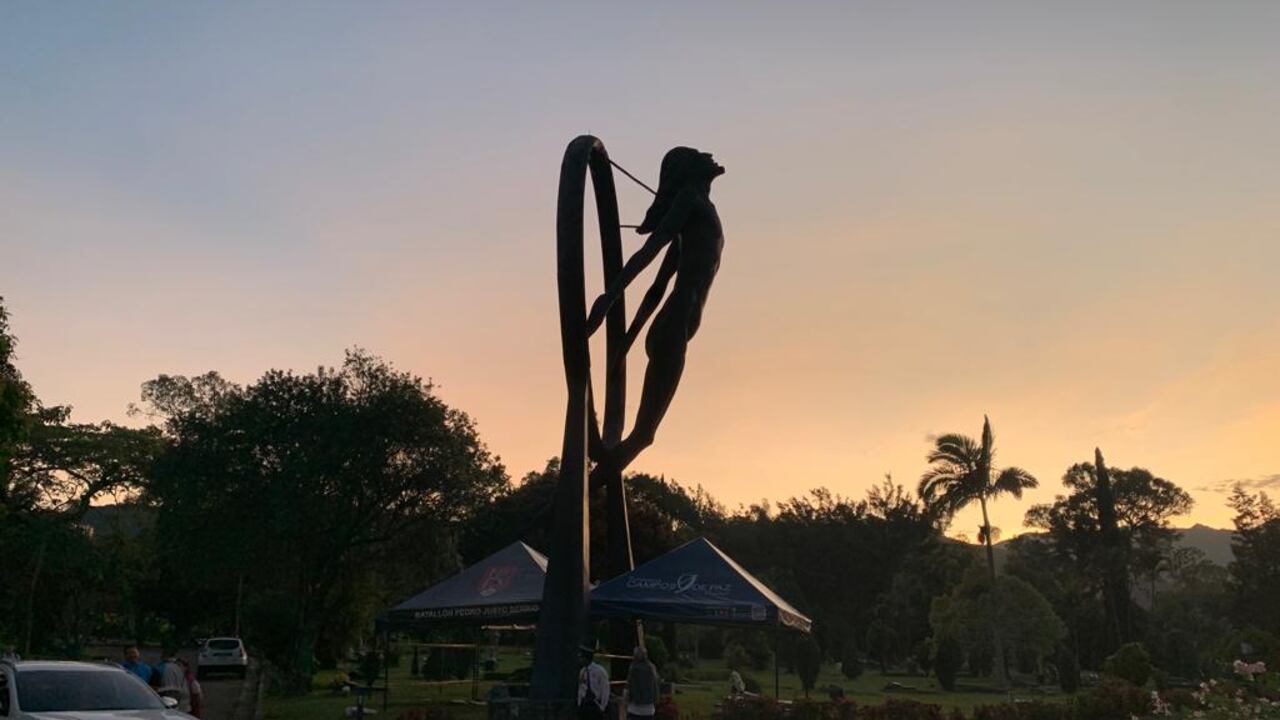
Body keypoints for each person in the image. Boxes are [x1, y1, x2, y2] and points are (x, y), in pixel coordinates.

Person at [586, 146, 725, 470]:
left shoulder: (702, 208)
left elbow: (657, 288)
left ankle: (575, 497)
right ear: (688, 168)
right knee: (643, 436)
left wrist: (625, 342)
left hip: (678, 324)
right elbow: (650, 249)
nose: (708, 154)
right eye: (697, 154)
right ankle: (565, 506)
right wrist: (609, 299)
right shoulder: (690, 198)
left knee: (640, 437)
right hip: (674, 324)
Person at [624, 645, 660, 719]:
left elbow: (628, 686)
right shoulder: (651, 668)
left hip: (634, 709)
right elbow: (656, 687)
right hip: (649, 709)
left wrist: (625, 702)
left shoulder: (633, 668)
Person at [576, 646, 609, 720]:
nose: (580, 660)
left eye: (581, 657)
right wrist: (579, 703)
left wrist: (602, 707)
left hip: (595, 704)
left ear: (586, 658)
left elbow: (605, 689)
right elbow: (581, 687)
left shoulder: (600, 671)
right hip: (584, 704)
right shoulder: (582, 671)